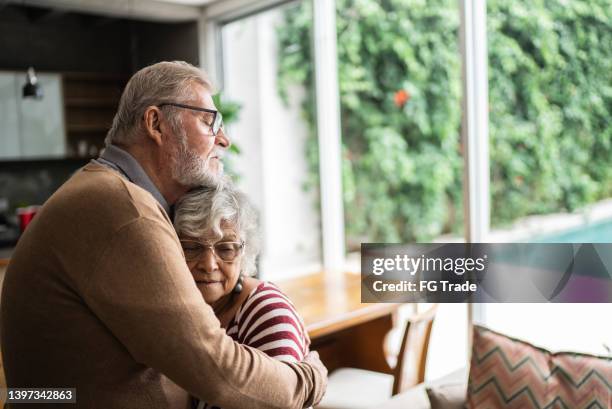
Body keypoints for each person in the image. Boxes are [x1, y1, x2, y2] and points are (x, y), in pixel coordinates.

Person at [1, 61, 326, 408]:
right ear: (155, 123)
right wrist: (308, 379)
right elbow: (217, 370)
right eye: (208, 120)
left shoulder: (104, 191)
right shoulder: (124, 209)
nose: (224, 139)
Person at [173, 182, 311, 409]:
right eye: (191, 247)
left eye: (226, 248)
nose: (209, 265)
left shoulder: (268, 310)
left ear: (244, 252)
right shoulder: (180, 311)